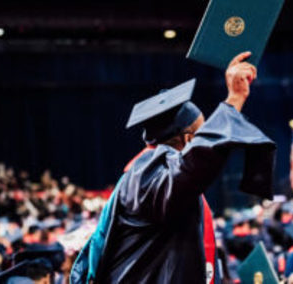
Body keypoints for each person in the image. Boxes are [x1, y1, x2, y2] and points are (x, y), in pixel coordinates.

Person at [70, 52, 276, 284]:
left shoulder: (149, 173)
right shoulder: (145, 173)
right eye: (203, 133)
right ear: (189, 140)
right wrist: (233, 100)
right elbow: (192, 168)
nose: (210, 136)